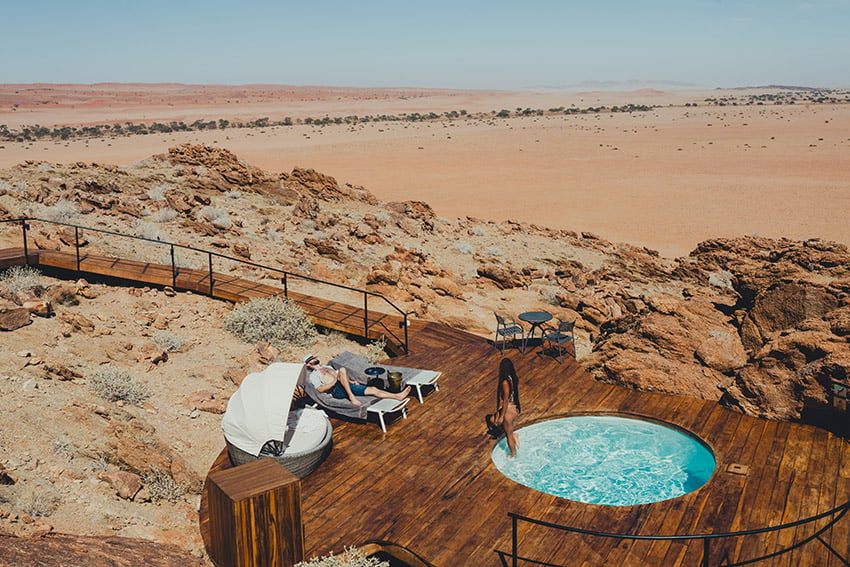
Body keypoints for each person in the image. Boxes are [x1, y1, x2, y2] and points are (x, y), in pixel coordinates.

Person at [303, 354, 410, 406]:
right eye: (311, 360)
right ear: (308, 364)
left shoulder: (328, 367)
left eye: (314, 358)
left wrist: (351, 382)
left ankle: (397, 396)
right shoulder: (314, 375)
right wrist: (334, 382)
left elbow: (342, 376)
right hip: (336, 390)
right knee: (343, 369)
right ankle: (352, 397)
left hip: (345, 385)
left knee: (373, 389)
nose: (314, 359)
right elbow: (320, 389)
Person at [486, 357, 521, 457]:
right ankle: (512, 433)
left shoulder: (505, 383)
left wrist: (501, 416)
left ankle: (513, 454)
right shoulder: (513, 378)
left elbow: (505, 401)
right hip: (514, 407)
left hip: (509, 409)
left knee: (508, 435)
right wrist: (498, 416)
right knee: (492, 419)